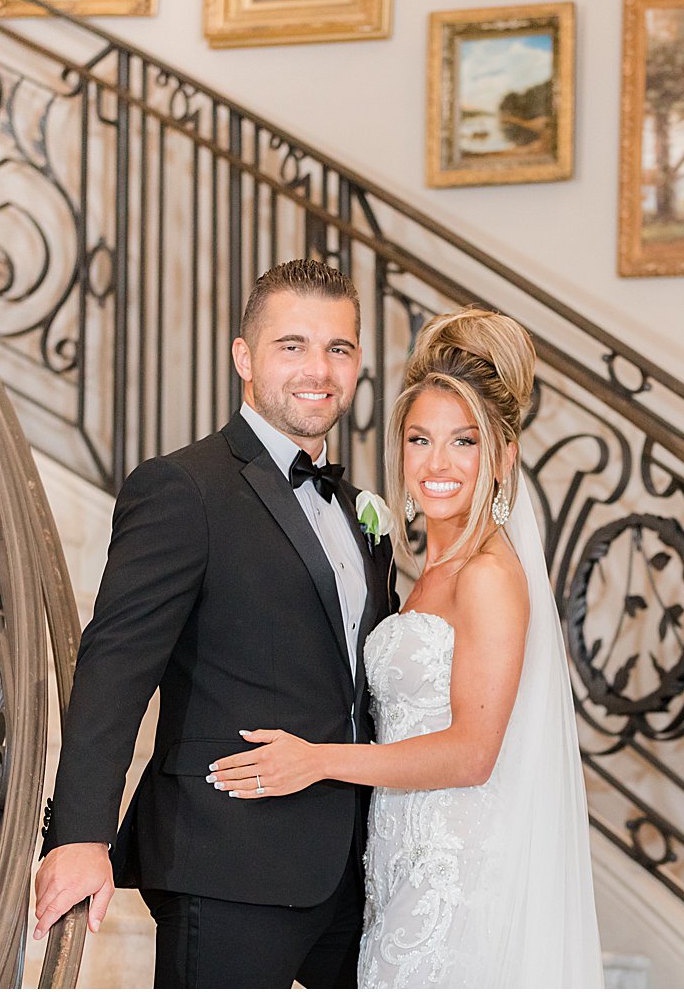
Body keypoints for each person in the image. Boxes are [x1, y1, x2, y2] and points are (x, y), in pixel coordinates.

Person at [209, 308, 604, 988]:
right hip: (396, 865)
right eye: (420, 439)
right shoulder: (427, 573)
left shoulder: (487, 575)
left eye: (465, 441)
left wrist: (315, 761)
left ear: (503, 456)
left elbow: (473, 752)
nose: (437, 463)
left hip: (455, 879)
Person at [32, 259, 397, 988]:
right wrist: (78, 835)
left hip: (357, 871)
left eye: (339, 348)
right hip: (227, 858)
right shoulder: (183, 487)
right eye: (291, 345)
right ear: (244, 357)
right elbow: (114, 666)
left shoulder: (364, 514)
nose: (317, 369)